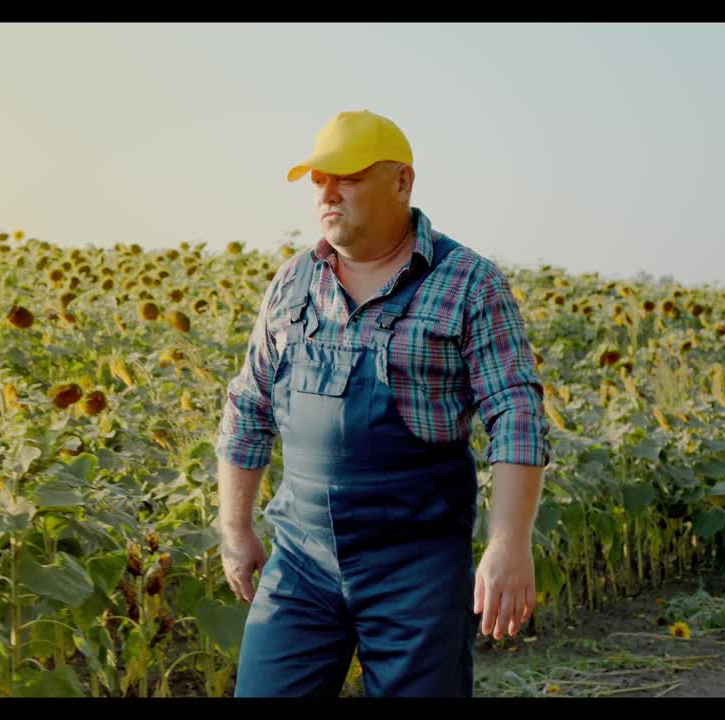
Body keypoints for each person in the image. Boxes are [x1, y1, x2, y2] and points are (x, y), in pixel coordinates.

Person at [214, 109, 550, 698]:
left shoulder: (467, 283)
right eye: (318, 179)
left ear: (402, 182)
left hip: (415, 572)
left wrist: (508, 543)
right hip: (300, 564)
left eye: (347, 176)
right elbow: (249, 405)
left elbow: (516, 414)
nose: (327, 191)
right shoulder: (294, 281)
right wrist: (236, 528)